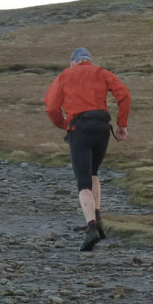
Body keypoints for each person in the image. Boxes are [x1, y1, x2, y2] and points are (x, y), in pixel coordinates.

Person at [44, 47, 131, 251]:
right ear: (89, 61)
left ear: (73, 62)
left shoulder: (66, 75)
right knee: (93, 173)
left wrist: (63, 124)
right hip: (102, 128)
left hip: (79, 128)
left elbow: (51, 107)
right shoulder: (101, 72)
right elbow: (124, 95)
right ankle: (98, 217)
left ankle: (91, 228)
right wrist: (122, 124)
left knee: (83, 182)